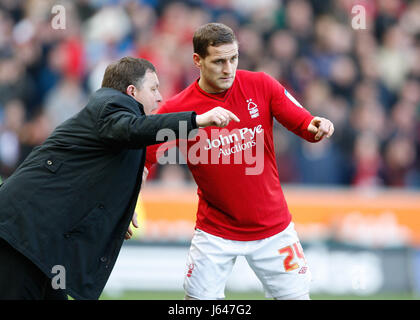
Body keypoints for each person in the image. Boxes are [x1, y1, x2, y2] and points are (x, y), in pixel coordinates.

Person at [0, 56, 239, 300]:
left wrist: (123, 208)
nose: (160, 97)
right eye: (154, 88)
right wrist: (195, 120)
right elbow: (133, 130)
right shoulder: (111, 104)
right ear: (131, 91)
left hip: (38, 241)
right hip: (21, 233)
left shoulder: (117, 123)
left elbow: (98, 174)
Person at [145, 23, 334, 300]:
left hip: (273, 230)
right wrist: (128, 207)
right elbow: (145, 158)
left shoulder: (261, 85)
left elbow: (304, 123)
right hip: (215, 233)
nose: (228, 68)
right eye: (219, 61)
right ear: (197, 60)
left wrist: (318, 126)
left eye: (233, 59)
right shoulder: (178, 109)